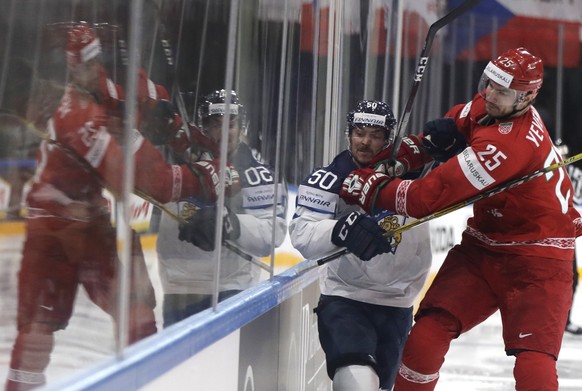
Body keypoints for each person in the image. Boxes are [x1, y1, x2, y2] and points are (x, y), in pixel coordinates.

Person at [4, 23, 231, 391]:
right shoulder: (78, 116)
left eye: (95, 62)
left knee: (136, 309)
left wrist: (179, 132)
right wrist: (205, 177)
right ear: (71, 67)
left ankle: (149, 382)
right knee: (38, 329)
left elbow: (153, 108)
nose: (91, 70)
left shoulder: (112, 95)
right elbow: (143, 179)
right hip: (53, 231)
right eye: (83, 64)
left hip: (90, 225)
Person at [339, 48, 582, 390]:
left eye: (502, 91)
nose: (490, 95)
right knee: (426, 334)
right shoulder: (493, 106)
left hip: (539, 258)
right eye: (489, 84)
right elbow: (448, 130)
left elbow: (427, 198)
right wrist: (408, 154)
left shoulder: (508, 146)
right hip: (485, 247)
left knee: (534, 360)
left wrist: (373, 188)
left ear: (527, 97)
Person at [289, 100, 436, 391]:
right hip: (346, 298)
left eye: (375, 135)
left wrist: (445, 141)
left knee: (381, 386)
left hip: (398, 304)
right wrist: (340, 230)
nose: (365, 142)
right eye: (359, 132)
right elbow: (302, 234)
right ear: (349, 134)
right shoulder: (330, 178)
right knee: (357, 379)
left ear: (389, 139)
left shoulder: (417, 174)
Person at [156, 89, 288, 327]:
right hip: (178, 288)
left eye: (230, 125)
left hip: (230, 288)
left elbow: (272, 233)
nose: (224, 133)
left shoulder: (260, 175)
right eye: (215, 125)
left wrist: (228, 223)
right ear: (203, 128)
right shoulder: (182, 163)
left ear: (241, 127)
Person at [557, 141, 582, 335]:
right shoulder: (541, 170)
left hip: (565, 236)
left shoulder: (573, 174)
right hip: (542, 234)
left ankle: (564, 321)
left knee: (570, 279)